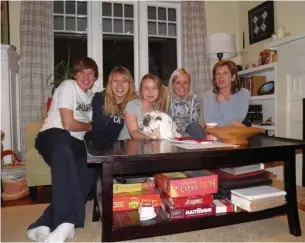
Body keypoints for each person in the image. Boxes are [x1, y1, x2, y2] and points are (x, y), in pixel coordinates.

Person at [26, 57, 98, 242]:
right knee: (65, 142)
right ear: (75, 74)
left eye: (90, 73)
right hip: (53, 136)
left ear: (95, 77)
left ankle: (42, 224)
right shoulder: (68, 86)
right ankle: (66, 222)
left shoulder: (92, 97)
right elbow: (67, 123)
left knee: (89, 170)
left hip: (75, 144)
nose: (86, 76)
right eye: (82, 72)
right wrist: (90, 127)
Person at [87, 66, 137, 142]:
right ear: (110, 83)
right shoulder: (99, 99)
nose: (120, 84)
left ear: (130, 84)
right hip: (96, 148)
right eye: (115, 80)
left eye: (124, 80)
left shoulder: (135, 104)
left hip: (124, 150)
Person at [118, 73, 168, 140]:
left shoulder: (157, 110)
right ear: (141, 90)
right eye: (146, 88)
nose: (150, 92)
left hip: (146, 147)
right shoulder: (133, 105)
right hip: (125, 145)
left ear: (159, 91)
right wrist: (149, 138)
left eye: (154, 88)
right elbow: (133, 133)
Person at [203, 60, 250, 127]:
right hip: (215, 135)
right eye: (218, 74)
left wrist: (223, 102)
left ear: (233, 77)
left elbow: (238, 119)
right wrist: (233, 122)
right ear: (215, 78)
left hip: (236, 135)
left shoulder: (244, 94)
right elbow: (209, 124)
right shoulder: (208, 95)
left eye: (225, 73)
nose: (221, 77)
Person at [167, 68, 204, 139]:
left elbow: (194, 120)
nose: (182, 86)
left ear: (190, 84)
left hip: (189, 128)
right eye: (178, 83)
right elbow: (167, 120)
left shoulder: (195, 98)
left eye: (185, 83)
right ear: (173, 85)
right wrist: (176, 133)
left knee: (197, 129)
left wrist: (182, 134)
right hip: (171, 128)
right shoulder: (168, 98)